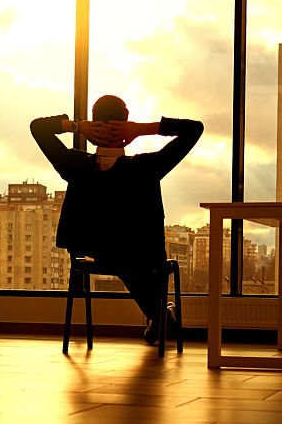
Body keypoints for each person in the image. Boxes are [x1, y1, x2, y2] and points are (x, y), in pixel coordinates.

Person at [30, 95, 203, 344]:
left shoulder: (74, 164)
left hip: (95, 251)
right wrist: (142, 130)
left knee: (119, 255)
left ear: (93, 122)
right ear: (127, 121)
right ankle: (159, 315)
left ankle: (159, 317)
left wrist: (77, 126)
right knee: (132, 258)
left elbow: (37, 127)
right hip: (142, 255)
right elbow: (194, 129)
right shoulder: (148, 166)